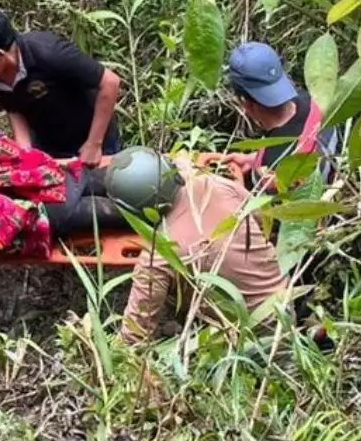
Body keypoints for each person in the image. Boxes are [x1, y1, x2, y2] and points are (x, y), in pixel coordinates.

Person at [104, 147, 289, 343]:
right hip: (285, 300)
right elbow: (262, 220)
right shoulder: (216, 184)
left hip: (251, 337)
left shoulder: (158, 253)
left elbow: (135, 335)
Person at [0, 4, 123, 165]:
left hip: (92, 137)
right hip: (50, 145)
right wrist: (25, 152)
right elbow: (14, 108)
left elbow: (110, 83)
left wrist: (94, 143)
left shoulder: (49, 53)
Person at [223, 41, 336, 183]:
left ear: (245, 103)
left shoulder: (273, 170)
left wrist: (237, 183)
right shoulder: (314, 101)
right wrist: (251, 159)